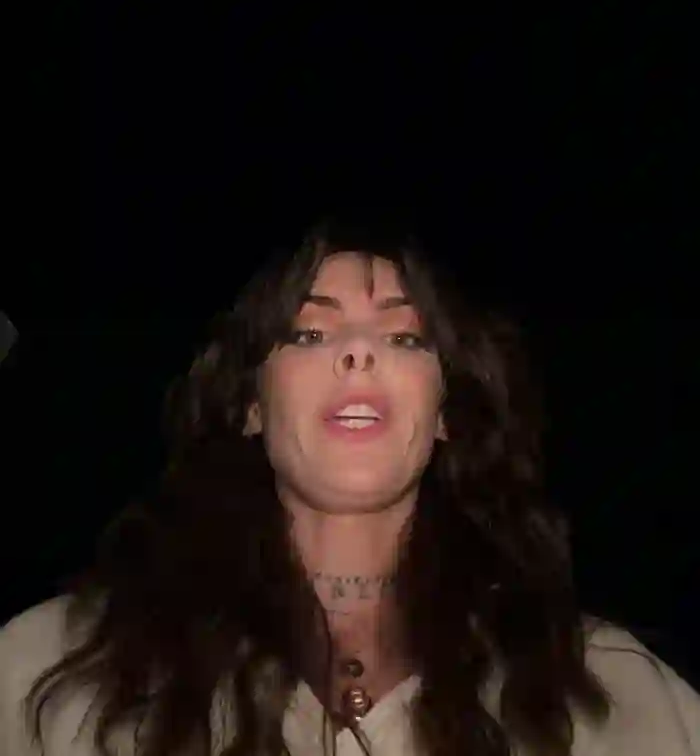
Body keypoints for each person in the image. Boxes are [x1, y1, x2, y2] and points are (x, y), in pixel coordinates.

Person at [1, 219, 698, 756]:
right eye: (310, 333)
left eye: (405, 337)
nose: (358, 351)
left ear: (446, 412)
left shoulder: (613, 690)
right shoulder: (51, 669)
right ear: (251, 405)